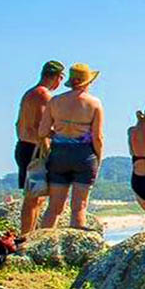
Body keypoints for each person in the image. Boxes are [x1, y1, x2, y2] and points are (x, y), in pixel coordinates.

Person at [39, 63, 104, 230]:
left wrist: (60, 136)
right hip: (84, 155)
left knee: (54, 208)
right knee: (79, 207)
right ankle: (76, 247)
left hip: (59, 153)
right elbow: (97, 137)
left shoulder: (55, 101)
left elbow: (43, 131)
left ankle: (40, 242)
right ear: (87, 82)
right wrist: (98, 158)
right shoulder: (94, 104)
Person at [14, 60, 64, 234]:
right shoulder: (44, 95)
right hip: (35, 150)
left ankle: (28, 234)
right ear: (59, 77)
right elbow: (43, 128)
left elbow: (20, 124)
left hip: (25, 146)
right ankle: (26, 236)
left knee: (37, 197)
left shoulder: (29, 94)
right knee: (34, 198)